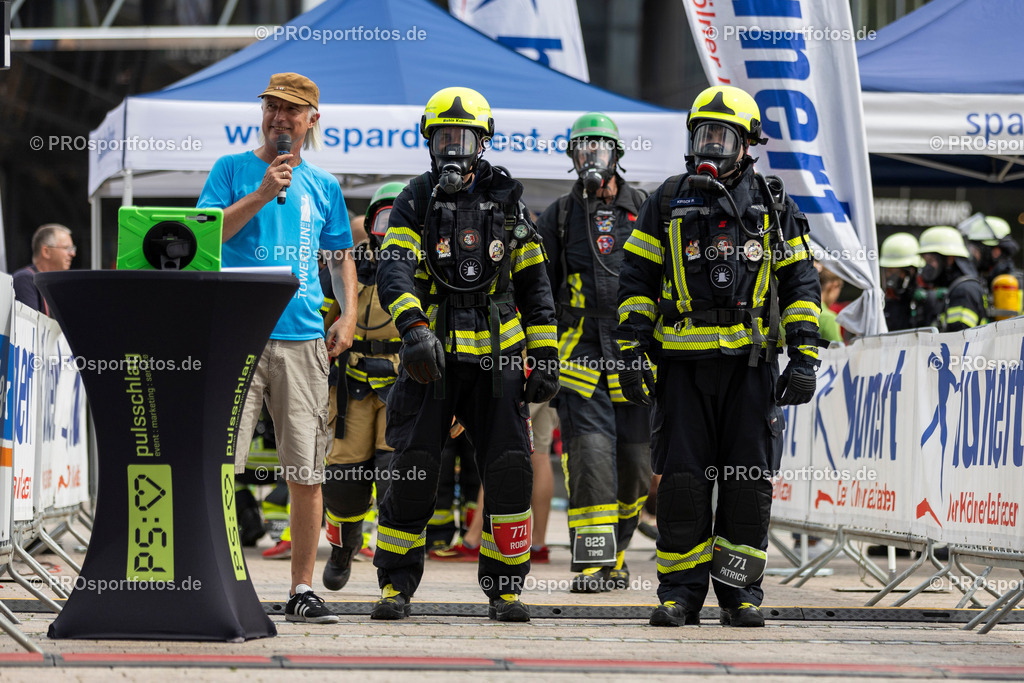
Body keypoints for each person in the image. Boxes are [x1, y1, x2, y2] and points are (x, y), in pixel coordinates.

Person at [616, 85, 820, 628]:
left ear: (747, 145)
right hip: (682, 370)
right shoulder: (667, 200)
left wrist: (804, 358)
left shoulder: (775, 206)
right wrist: (632, 353)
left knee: (747, 483)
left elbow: (801, 285)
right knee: (682, 481)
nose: (709, 145)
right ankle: (680, 595)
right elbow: (636, 281)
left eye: (721, 136)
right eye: (702, 133)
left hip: (751, 371)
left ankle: (739, 594)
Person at [372, 86, 560, 623]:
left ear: (483, 142)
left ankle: (505, 589)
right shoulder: (414, 198)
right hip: (430, 361)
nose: (452, 149)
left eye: (464, 138)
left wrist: (544, 359)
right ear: (429, 143)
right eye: (443, 138)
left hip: (499, 366)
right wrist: (411, 329)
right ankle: (395, 586)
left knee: (507, 471)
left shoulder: (508, 203)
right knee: (413, 469)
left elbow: (535, 287)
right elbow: (394, 268)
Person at [198, 72, 357, 624]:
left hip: (302, 339)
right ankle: (215, 581)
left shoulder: (324, 186)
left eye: (292, 111)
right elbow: (204, 236)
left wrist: (350, 315)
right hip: (236, 336)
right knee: (219, 465)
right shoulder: (231, 170)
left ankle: (301, 590)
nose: (279, 118)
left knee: (306, 471)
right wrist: (261, 194)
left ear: (313, 119)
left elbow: (340, 257)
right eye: (272, 108)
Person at [536, 112, 652, 593]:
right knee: (589, 459)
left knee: (635, 465)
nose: (591, 157)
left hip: (632, 356)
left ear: (616, 155)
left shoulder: (645, 207)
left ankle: (617, 553)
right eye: (582, 149)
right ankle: (592, 563)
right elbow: (538, 287)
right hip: (580, 353)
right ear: (572, 157)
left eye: (599, 148)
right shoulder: (560, 215)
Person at [318, 182, 406, 591]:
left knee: (396, 480)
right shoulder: (346, 266)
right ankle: (344, 546)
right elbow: (319, 320)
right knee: (343, 483)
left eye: (398, 218)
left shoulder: (425, 269)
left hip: (402, 385)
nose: (388, 229)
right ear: (369, 224)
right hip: (350, 386)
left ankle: (393, 571)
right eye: (382, 219)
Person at [917, 225, 988, 332]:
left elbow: (959, 340)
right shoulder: (954, 287)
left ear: (949, 259)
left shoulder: (964, 291)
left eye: (931, 260)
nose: (928, 267)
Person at [879, 232, 937, 331]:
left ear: (912, 271)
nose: (889, 276)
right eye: (887, 271)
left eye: (894, 271)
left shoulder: (926, 301)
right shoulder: (883, 303)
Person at [13, 223, 75, 315]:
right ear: (46, 251)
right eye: (67, 248)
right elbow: (30, 326)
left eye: (73, 248)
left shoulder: (58, 285)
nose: (73, 254)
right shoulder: (25, 279)